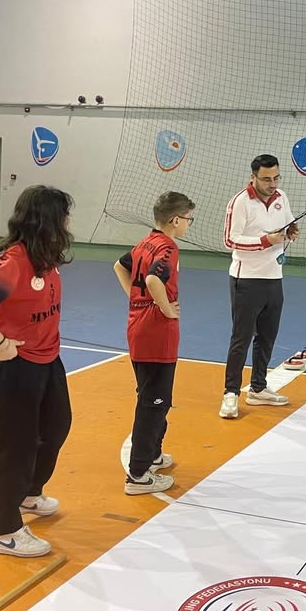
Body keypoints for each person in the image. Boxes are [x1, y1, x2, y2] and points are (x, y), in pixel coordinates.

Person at [0, 185, 74, 558]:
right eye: (63, 215)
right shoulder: (15, 261)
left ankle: (28, 494)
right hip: (17, 366)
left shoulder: (44, 257)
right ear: (47, 220)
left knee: (56, 427)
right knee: (15, 447)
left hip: (48, 358)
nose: (68, 222)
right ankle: (4, 531)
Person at [113, 191, 194, 495]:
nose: (189, 224)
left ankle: (153, 455)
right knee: (153, 403)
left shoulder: (145, 241)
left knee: (156, 396)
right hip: (156, 334)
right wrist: (164, 307)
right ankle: (138, 474)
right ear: (176, 220)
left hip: (139, 329)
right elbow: (152, 280)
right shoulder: (168, 248)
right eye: (188, 219)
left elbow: (119, 266)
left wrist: (136, 300)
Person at [219, 154, 298, 419]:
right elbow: (230, 240)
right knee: (240, 338)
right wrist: (265, 240)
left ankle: (258, 388)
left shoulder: (281, 197)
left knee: (267, 336)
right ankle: (230, 394)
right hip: (246, 279)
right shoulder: (240, 202)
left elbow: (284, 226)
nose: (272, 183)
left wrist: (290, 231)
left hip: (274, 278)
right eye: (266, 179)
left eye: (276, 177)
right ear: (253, 177)